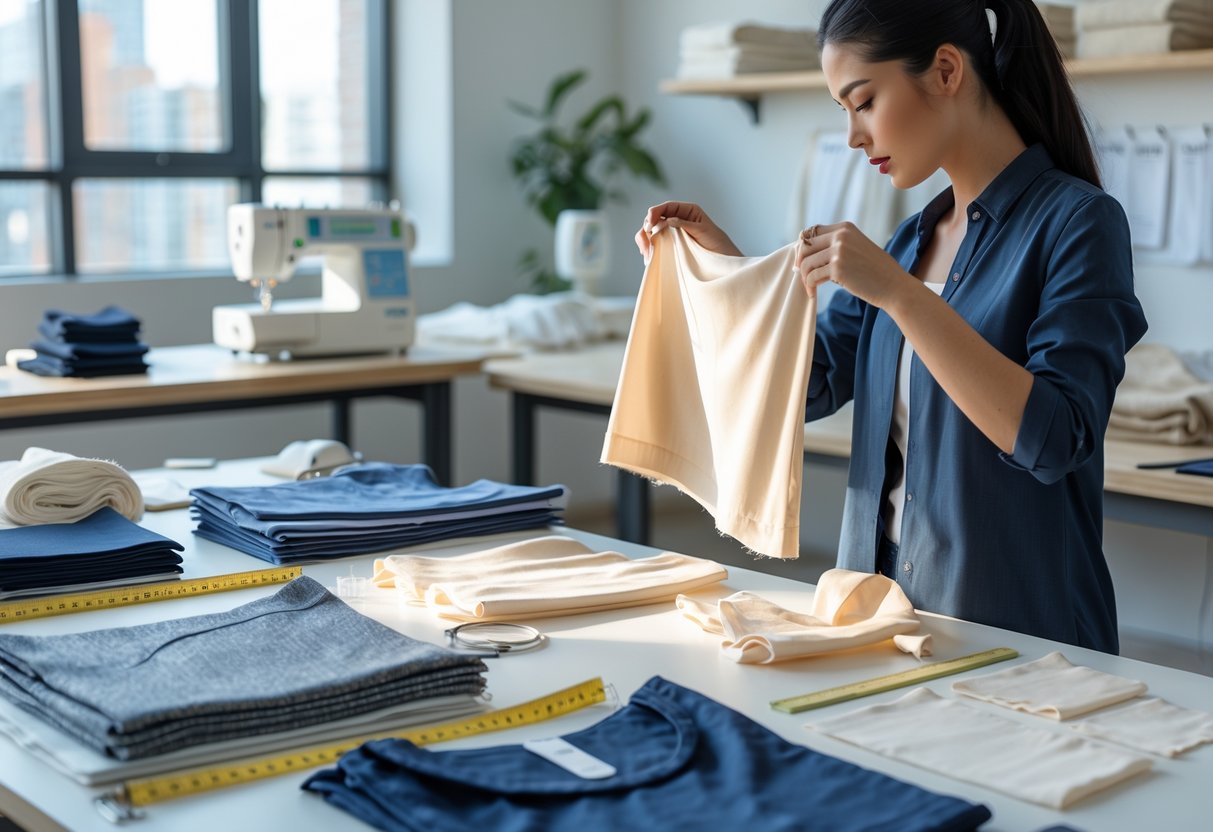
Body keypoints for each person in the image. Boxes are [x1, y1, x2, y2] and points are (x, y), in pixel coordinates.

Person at [635, 0, 1147, 654]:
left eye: (863, 101)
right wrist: (717, 268)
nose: (852, 135)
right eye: (841, 110)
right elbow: (812, 383)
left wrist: (902, 297)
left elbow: (1053, 438)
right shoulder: (908, 243)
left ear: (943, 71)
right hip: (876, 620)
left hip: (1020, 635)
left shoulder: (1078, 224)